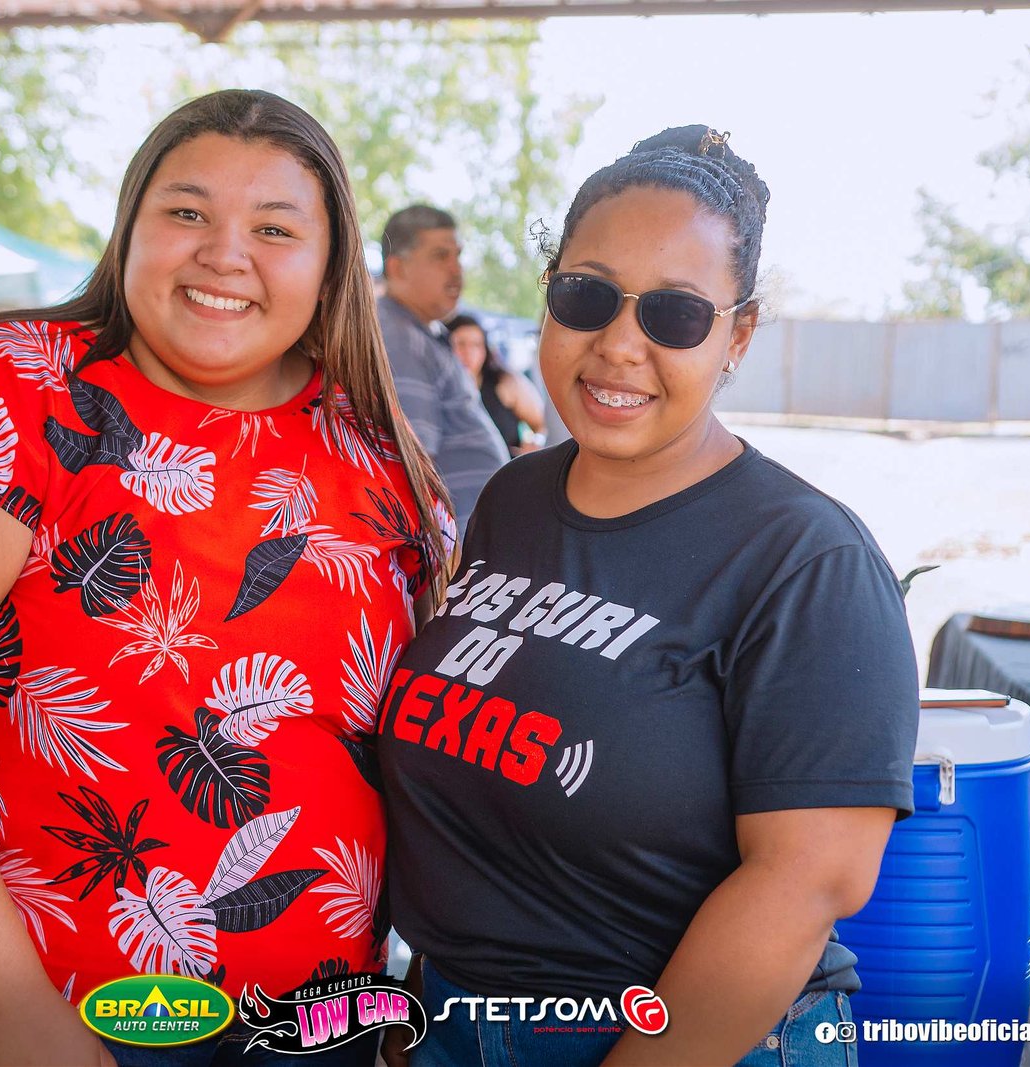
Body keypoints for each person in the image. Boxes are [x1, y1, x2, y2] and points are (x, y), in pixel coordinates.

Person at [0, 89, 452, 1067]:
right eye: (187, 212)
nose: (224, 254)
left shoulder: (371, 443)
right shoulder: (10, 386)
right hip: (64, 1021)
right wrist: (8, 1007)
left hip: (317, 1021)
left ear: (331, 264)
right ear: (129, 228)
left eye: (275, 228)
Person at [378, 127, 920, 1067]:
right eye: (586, 296)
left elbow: (806, 883)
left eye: (675, 314)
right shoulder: (514, 501)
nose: (620, 345)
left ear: (737, 335)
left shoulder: (808, 559)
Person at [376, 206, 507, 529]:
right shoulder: (399, 339)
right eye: (440, 256)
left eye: (457, 255)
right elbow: (412, 464)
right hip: (452, 547)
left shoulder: (419, 332)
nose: (456, 269)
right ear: (398, 268)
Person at [443, 314, 544, 455]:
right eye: (460, 344)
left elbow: (543, 425)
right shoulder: (437, 392)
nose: (468, 352)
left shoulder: (505, 382)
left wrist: (536, 442)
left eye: (476, 345)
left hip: (507, 466)